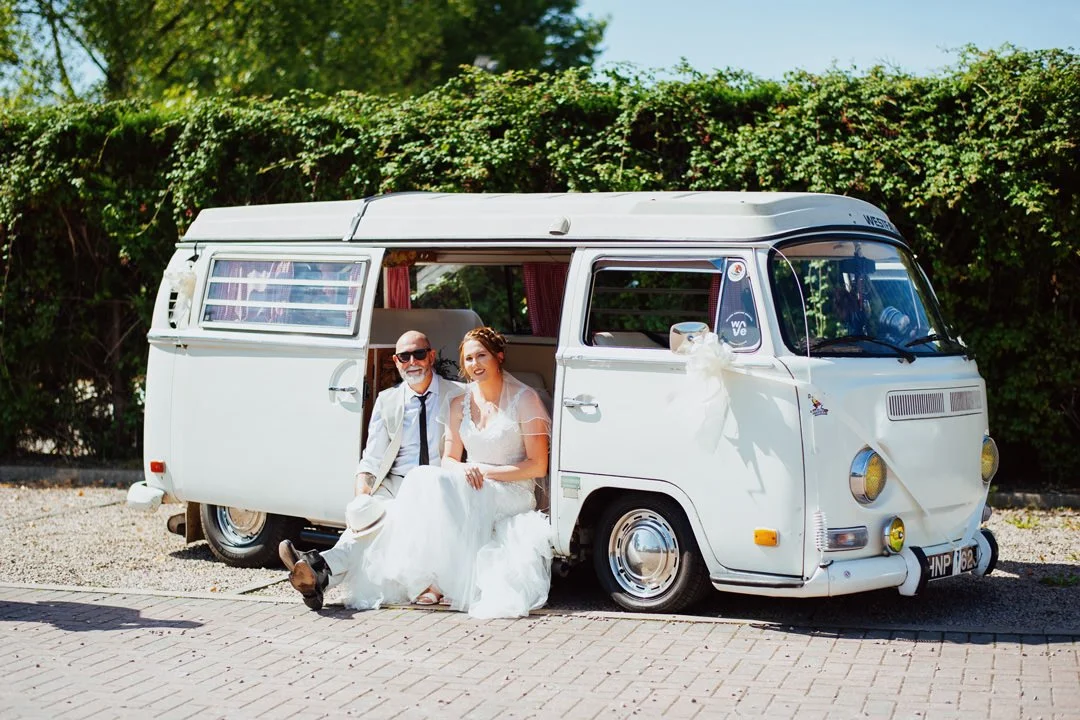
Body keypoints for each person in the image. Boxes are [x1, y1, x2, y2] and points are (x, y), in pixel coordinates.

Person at [345, 327, 553, 618]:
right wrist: (467, 468)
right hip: (473, 481)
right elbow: (449, 460)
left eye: (482, 356)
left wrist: (484, 471)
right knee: (423, 479)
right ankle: (428, 579)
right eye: (468, 359)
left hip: (513, 489)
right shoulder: (459, 403)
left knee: (448, 493)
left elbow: (538, 465)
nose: (475, 364)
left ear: (499, 357)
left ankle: (442, 583)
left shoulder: (525, 398)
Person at [278, 330, 465, 611]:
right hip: (395, 482)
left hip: (437, 486)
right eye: (404, 356)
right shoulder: (387, 400)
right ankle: (317, 572)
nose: (412, 361)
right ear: (396, 361)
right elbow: (372, 458)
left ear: (432, 356)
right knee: (365, 521)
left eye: (418, 354)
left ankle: (319, 571)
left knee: (383, 526)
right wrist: (362, 495)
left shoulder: (458, 394)